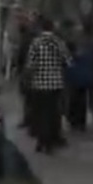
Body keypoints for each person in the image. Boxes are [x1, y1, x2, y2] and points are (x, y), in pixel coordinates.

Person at [25, 16, 70, 154]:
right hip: (55, 84)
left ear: (41, 28)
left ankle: (41, 141)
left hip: (39, 84)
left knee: (40, 113)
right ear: (52, 28)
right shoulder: (58, 42)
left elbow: (30, 64)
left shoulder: (36, 43)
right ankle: (50, 140)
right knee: (53, 112)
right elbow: (68, 61)